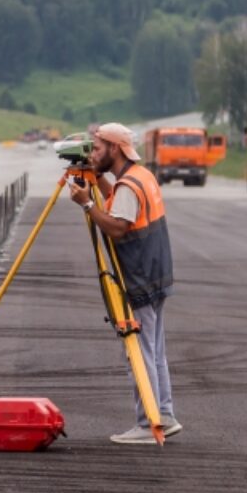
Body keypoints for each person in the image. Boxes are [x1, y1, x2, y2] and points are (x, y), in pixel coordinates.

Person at [68, 123, 182, 445]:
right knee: (154, 352)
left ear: (115, 149)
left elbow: (117, 227)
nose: (93, 153)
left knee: (140, 353)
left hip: (141, 276)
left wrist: (87, 205)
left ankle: (149, 423)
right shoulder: (139, 176)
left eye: (99, 148)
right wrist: (97, 180)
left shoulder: (129, 185)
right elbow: (119, 202)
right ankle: (165, 413)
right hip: (157, 273)